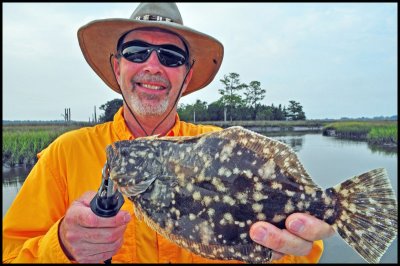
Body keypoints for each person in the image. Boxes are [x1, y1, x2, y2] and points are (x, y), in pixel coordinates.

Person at [3, 3, 334, 263]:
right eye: (136, 52)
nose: (152, 65)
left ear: (186, 77)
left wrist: (287, 248)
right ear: (117, 66)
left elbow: (303, 252)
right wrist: (61, 246)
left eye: (171, 57)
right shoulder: (65, 154)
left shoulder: (220, 146)